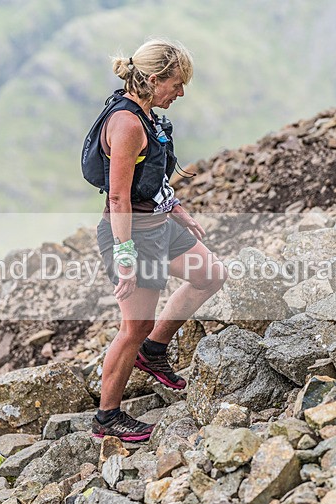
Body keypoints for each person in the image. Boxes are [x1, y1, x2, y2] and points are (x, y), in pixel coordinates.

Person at [84, 39, 227, 442]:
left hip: (160, 226)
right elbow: (118, 197)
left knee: (211, 274)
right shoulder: (127, 125)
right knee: (134, 326)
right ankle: (107, 419)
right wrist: (125, 255)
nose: (180, 93)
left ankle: (153, 351)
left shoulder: (145, 114)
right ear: (152, 79)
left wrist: (177, 209)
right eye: (176, 84)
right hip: (134, 234)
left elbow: (151, 177)